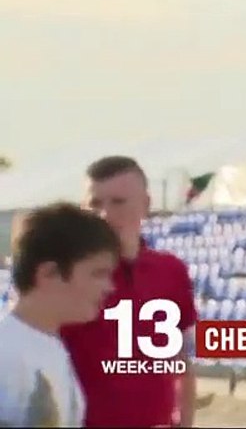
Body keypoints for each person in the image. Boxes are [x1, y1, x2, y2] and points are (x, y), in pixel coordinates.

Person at [61, 156, 199, 428]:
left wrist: (185, 423)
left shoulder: (170, 271)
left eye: (118, 202)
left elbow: (181, 361)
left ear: (145, 205)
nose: (105, 214)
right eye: (95, 204)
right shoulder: (66, 278)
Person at [0, 203, 119, 427]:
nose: (109, 287)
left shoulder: (49, 346)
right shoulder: (7, 355)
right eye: (97, 273)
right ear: (49, 274)